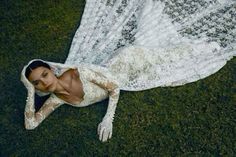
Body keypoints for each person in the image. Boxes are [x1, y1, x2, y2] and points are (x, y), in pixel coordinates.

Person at [21, 0, 236, 142]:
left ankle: (209, 46)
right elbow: (31, 124)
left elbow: (114, 88)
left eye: (44, 75)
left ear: (51, 70)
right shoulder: (57, 100)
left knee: (172, 58)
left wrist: (108, 119)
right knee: (163, 56)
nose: (43, 82)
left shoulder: (79, 72)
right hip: (124, 71)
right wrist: (29, 92)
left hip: (128, 60)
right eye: (37, 82)